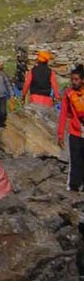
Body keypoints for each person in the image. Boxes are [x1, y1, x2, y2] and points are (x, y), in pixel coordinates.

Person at [60, 64, 84, 193]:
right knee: (75, 160)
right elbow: (63, 114)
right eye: (72, 80)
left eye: (76, 80)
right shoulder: (68, 94)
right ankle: (73, 187)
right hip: (75, 132)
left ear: (82, 80)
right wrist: (60, 133)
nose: (74, 82)